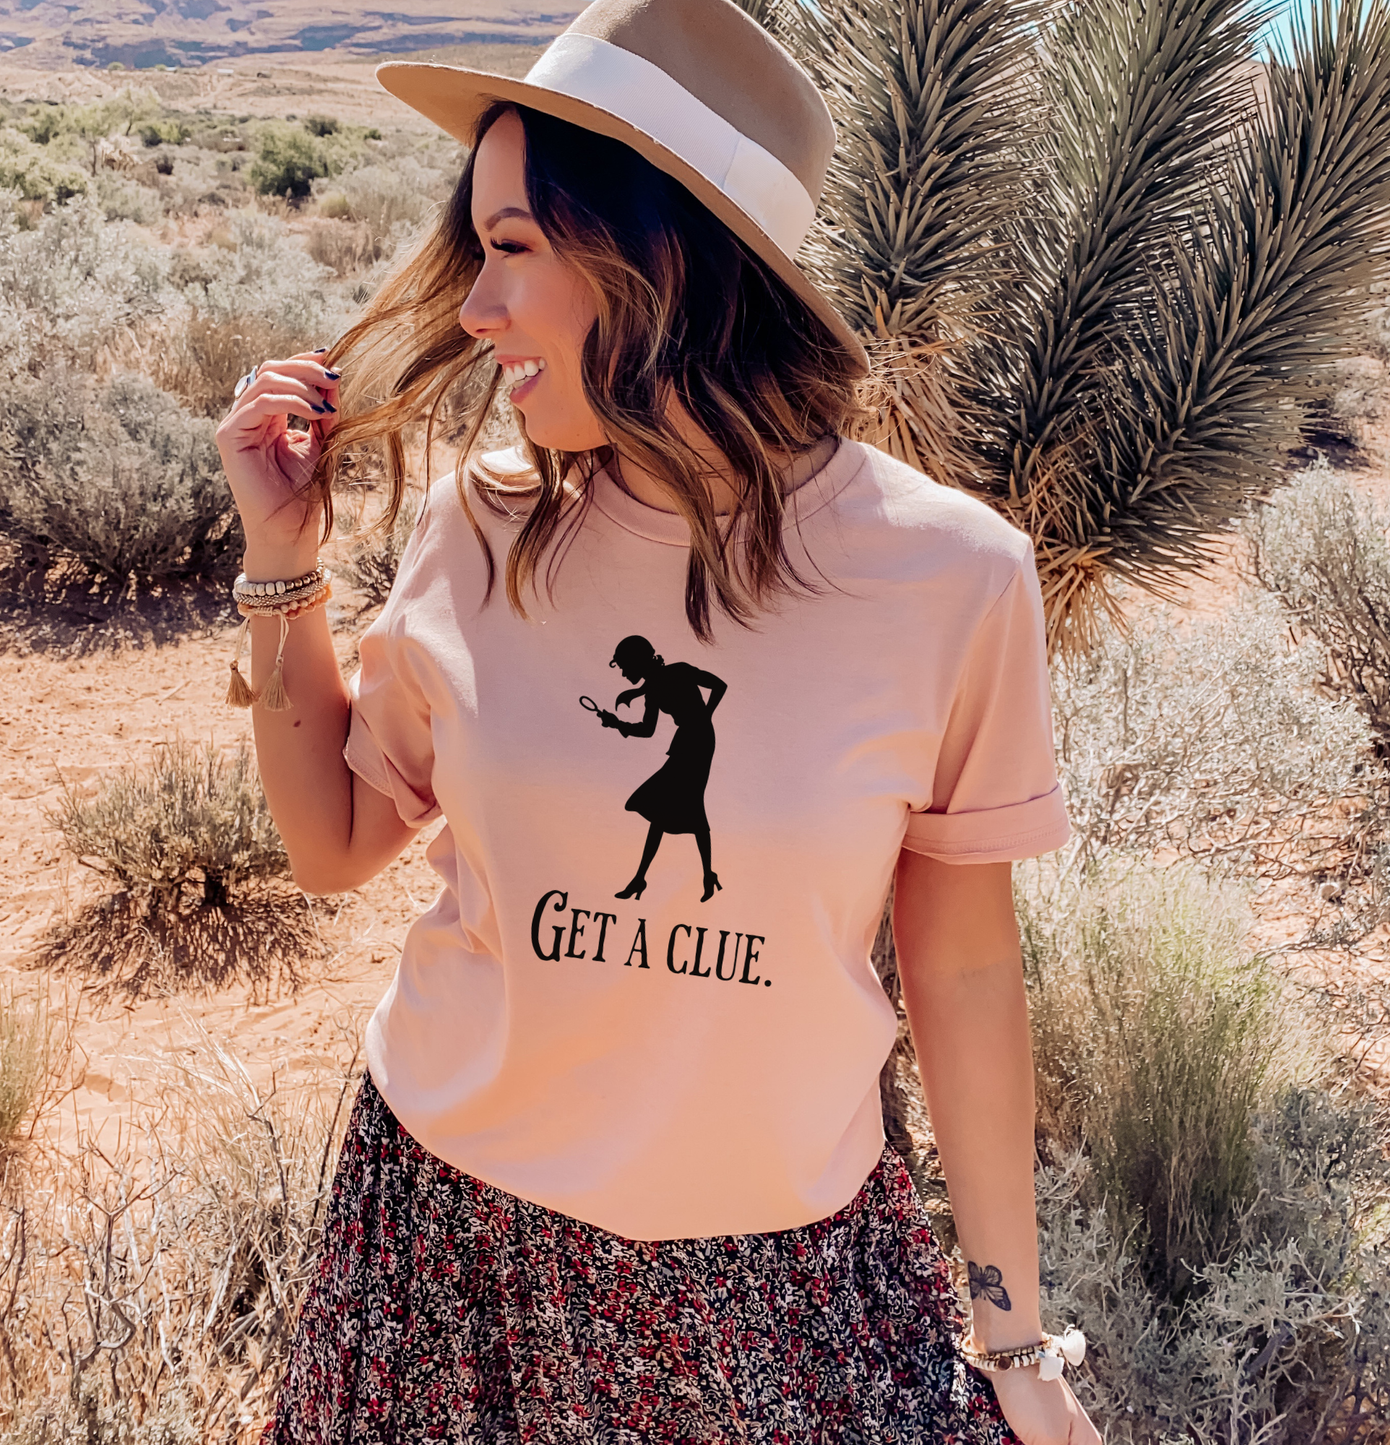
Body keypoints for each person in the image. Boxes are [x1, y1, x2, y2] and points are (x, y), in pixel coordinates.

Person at [216, 1, 1102, 1441]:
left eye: (511, 250)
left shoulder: (949, 577)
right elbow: (332, 842)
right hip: (449, 1250)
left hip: (779, 1292)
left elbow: (964, 972)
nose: (474, 309)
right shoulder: (482, 525)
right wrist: (281, 563)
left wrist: (1016, 1344)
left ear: (661, 254)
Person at [588, 633, 727, 902]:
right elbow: (647, 730)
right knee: (668, 809)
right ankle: (701, 875)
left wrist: (705, 716)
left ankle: (645, 879)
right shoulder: (653, 687)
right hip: (689, 740)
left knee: (679, 806)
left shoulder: (678, 672)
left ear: (637, 661)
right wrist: (618, 723)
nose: (624, 673)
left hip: (697, 742)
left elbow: (719, 685)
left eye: (625, 666)